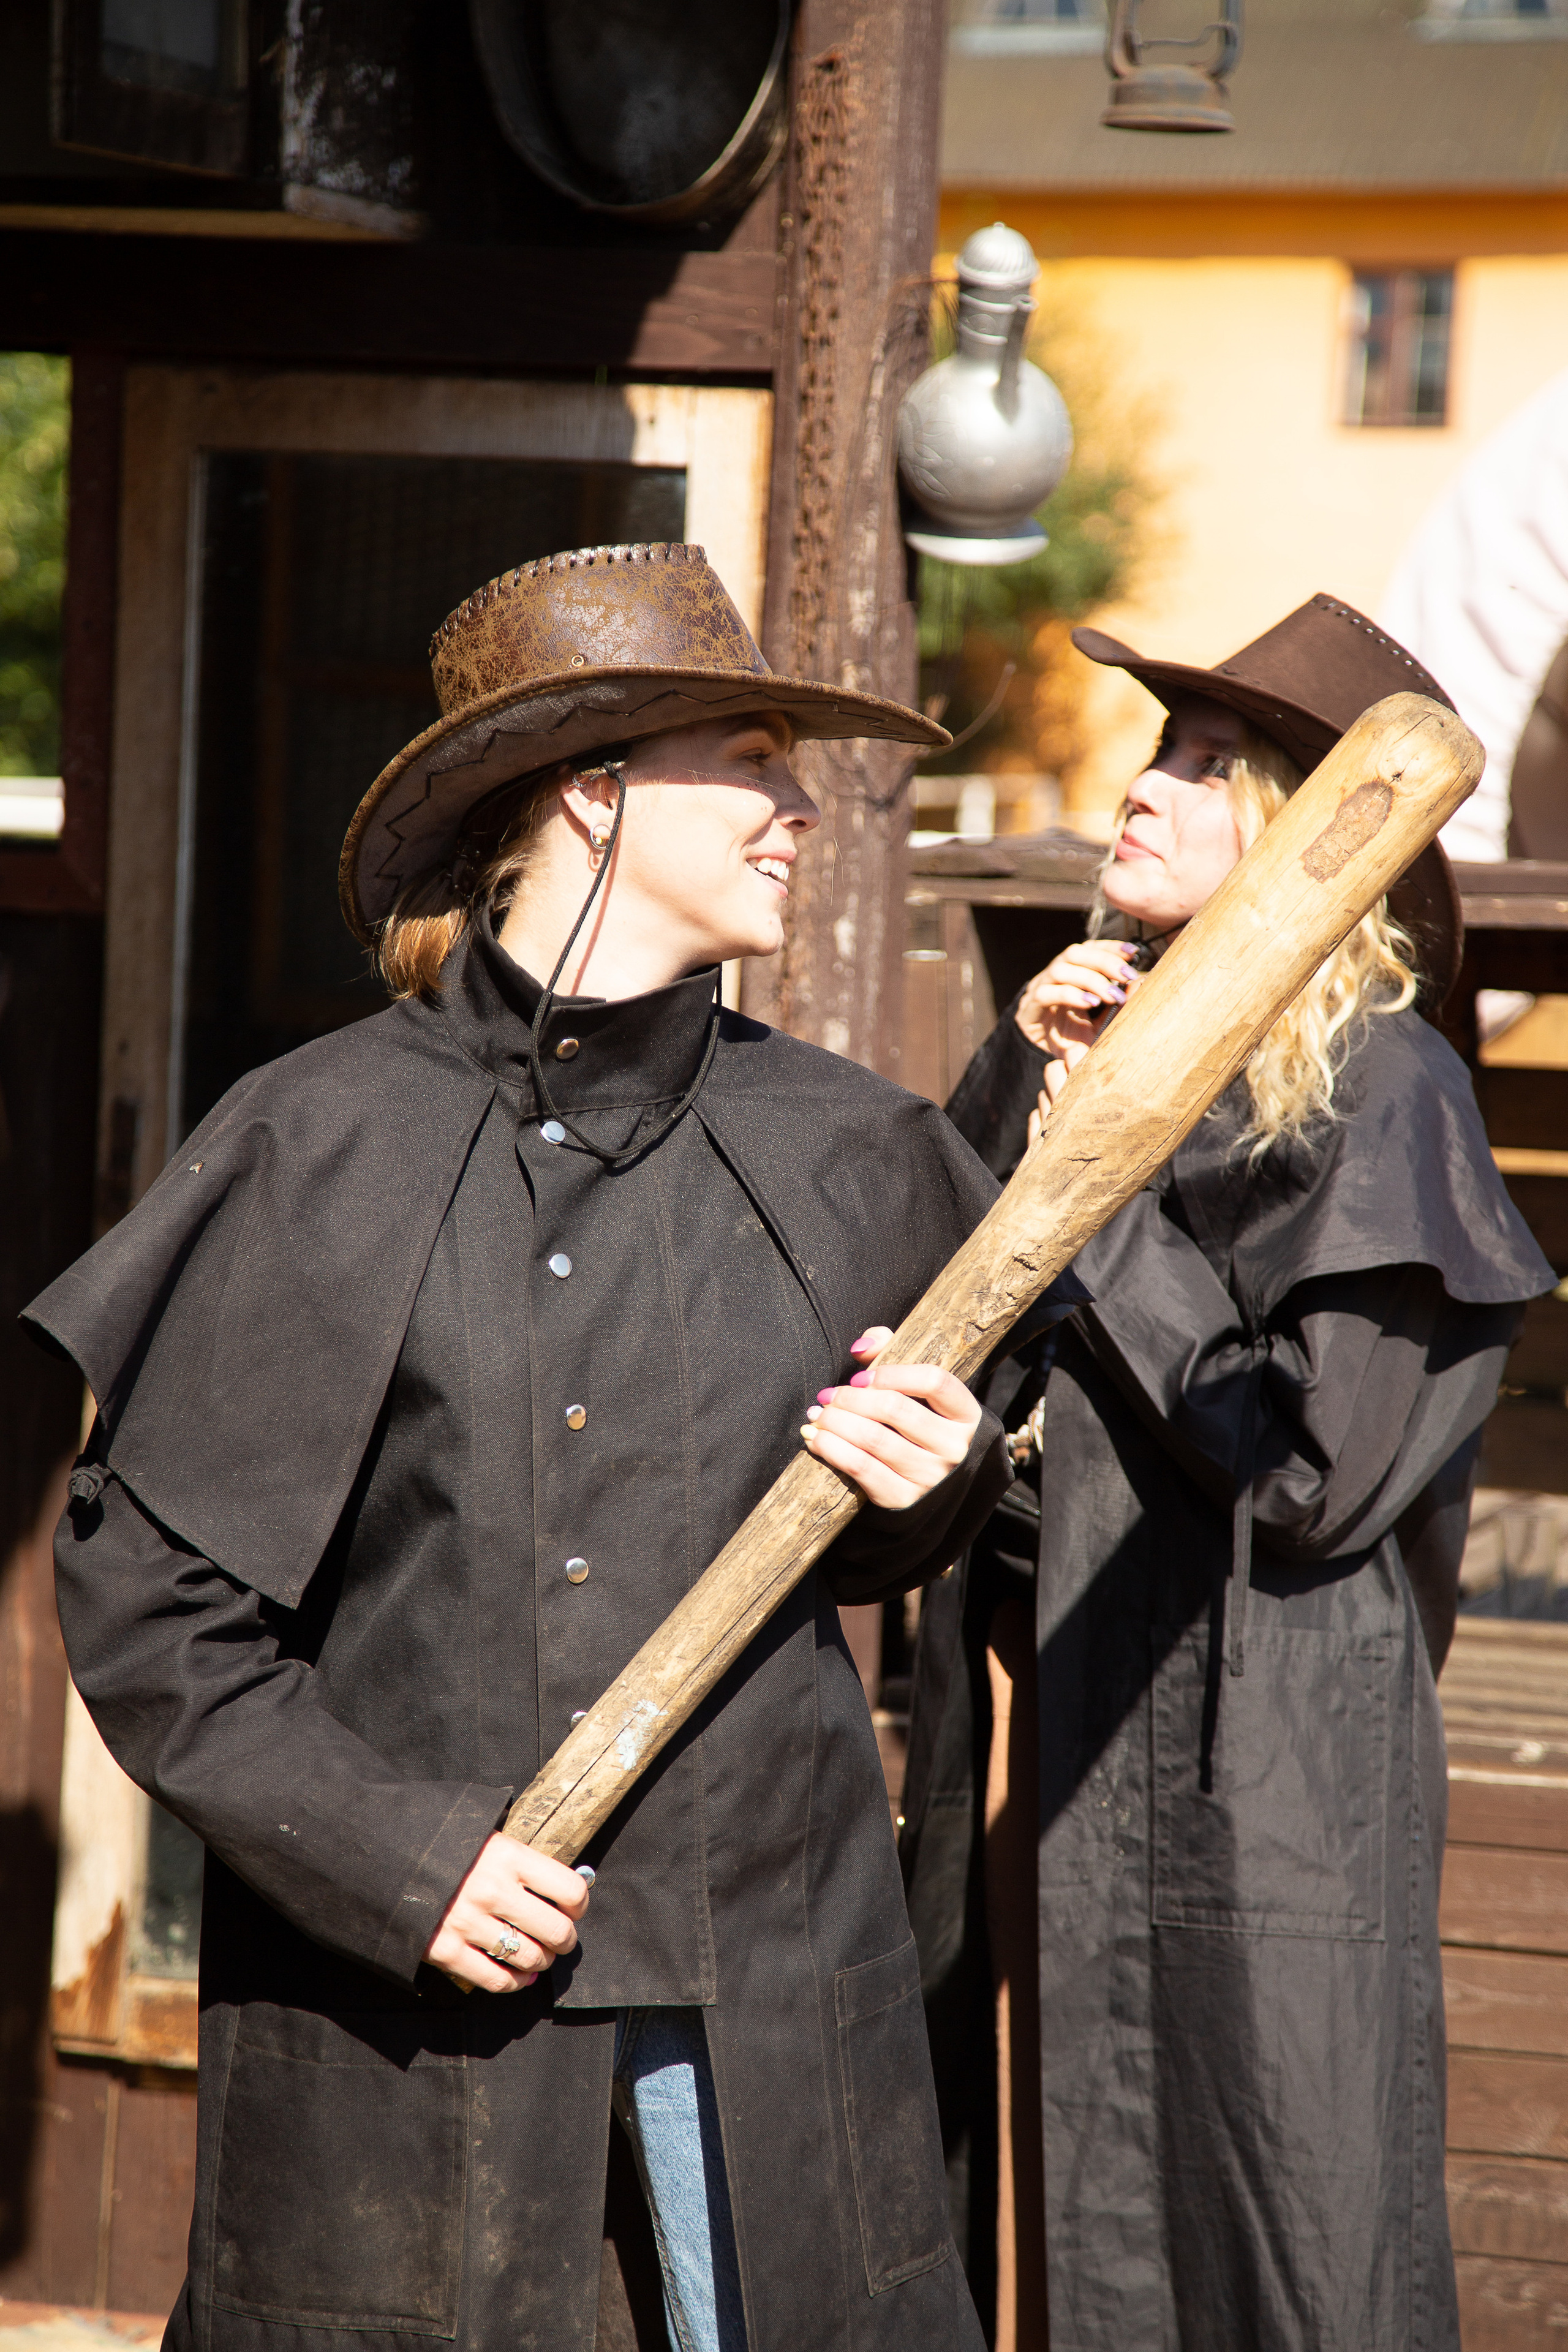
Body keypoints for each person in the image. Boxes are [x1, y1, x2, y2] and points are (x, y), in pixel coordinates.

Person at [28, 544, 1068, 2352]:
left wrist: (935, 1481)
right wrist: (396, 1857)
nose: (795, 804)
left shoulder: (853, 1150)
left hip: (762, 1984)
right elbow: (153, 1605)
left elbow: (901, 1532)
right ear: (591, 789)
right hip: (418, 1995)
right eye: (747, 754)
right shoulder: (316, 1142)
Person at [899, 595, 1555, 2352]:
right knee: (1052, 2220)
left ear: (1300, 837)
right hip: (1043, 1714)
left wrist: (1098, 1190)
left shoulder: (1388, 1092)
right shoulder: (1103, 1063)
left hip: (1259, 1761)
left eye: (1207, 765)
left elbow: (1317, 1479)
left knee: (1275, 2229)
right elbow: (927, 1338)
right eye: (1152, 751)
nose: (1142, 791)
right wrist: (1021, 1108)